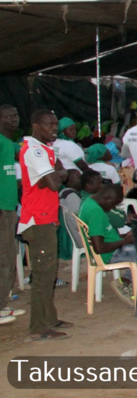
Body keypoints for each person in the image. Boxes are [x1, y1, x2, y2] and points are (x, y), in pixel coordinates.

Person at [19, 110, 69, 339]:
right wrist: (58, 174)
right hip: (37, 218)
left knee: (49, 271)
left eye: (55, 124)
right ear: (36, 126)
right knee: (42, 274)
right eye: (49, 124)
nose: (54, 128)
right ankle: (39, 327)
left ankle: (49, 318)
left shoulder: (45, 148)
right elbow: (55, 182)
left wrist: (56, 174)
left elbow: (57, 177)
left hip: (46, 216)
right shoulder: (35, 150)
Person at [0, 105, 23, 324]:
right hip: (1, 208)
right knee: (2, 257)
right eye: (8, 116)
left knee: (8, 255)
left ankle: (3, 304)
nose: (13, 119)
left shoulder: (9, 143)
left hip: (9, 207)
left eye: (15, 115)